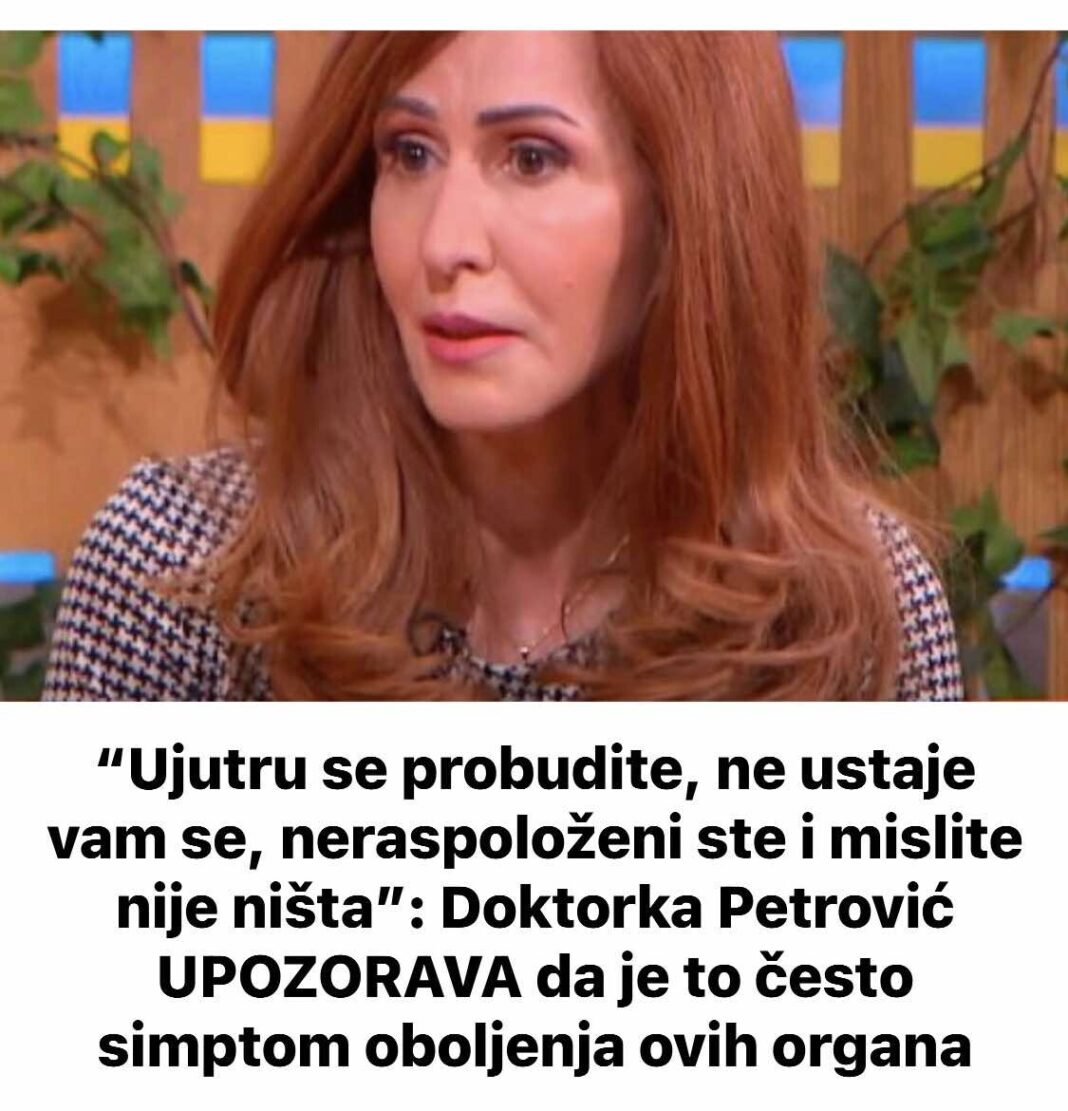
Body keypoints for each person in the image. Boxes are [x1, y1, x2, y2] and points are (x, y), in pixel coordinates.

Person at [43, 31, 963, 702]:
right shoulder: (178, 573)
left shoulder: (843, 615)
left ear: (686, 208)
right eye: (410, 153)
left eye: (531, 158)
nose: (444, 243)